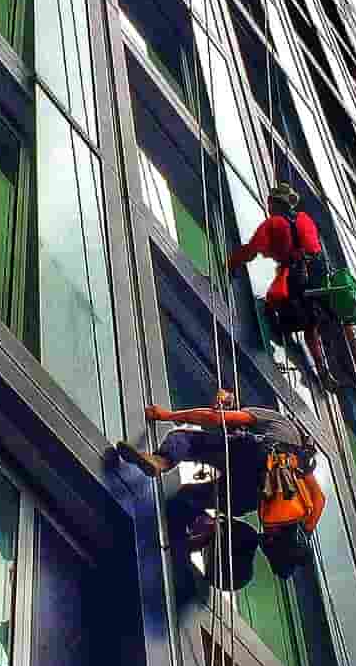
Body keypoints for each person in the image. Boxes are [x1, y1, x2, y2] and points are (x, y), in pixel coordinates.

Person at [112, 392, 322, 582]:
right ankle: (180, 545)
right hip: (250, 496)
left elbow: (215, 418)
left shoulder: (279, 421)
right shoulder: (300, 461)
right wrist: (303, 530)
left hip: (248, 457)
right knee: (190, 497)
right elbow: (319, 498)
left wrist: (166, 415)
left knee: (187, 440)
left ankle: (161, 461)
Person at [225, 184, 330, 374]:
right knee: (311, 325)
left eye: (270, 203)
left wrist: (230, 264)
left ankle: (275, 341)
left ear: (275, 203)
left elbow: (251, 250)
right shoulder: (304, 219)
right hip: (315, 274)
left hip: (294, 276)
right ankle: (322, 368)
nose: (268, 207)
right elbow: (314, 247)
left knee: (270, 305)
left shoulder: (273, 224)